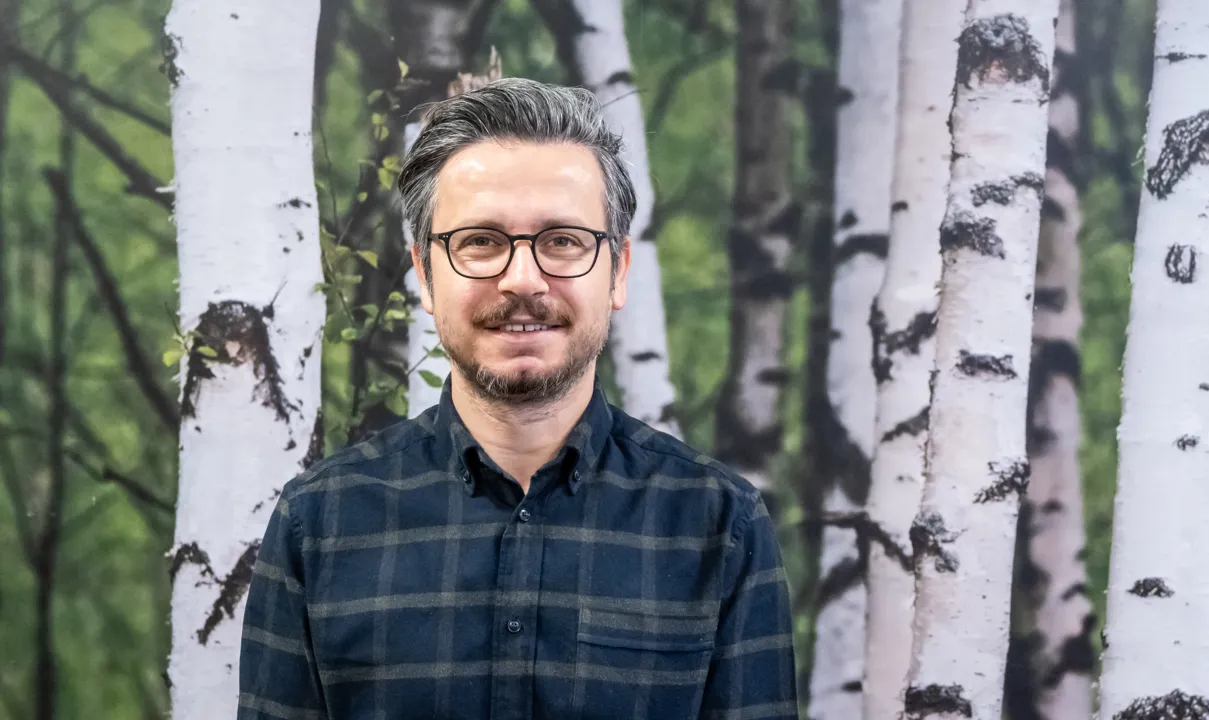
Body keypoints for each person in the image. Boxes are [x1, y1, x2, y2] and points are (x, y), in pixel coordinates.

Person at [236, 77, 798, 720]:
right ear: (424, 274)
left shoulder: (720, 525)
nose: (522, 279)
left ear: (617, 270)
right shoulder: (320, 523)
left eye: (563, 241)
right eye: (480, 242)